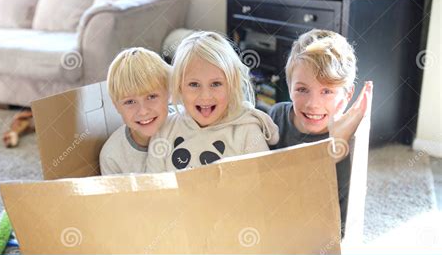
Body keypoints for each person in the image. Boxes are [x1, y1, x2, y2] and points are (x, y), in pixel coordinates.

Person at [269, 29, 373, 236]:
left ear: (347, 94)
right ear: (289, 86)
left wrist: (338, 145)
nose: (313, 104)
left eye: (327, 91)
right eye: (302, 89)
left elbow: (342, 216)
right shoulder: (277, 115)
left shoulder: (351, 136)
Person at [146, 31, 279, 173]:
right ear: (179, 87)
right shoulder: (165, 129)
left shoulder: (248, 131)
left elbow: (262, 185)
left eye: (216, 84)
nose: (205, 96)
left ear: (231, 85)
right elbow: (153, 185)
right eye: (194, 84)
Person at [100, 47, 171, 175]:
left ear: (169, 94)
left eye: (151, 97)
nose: (143, 111)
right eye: (130, 102)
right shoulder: (112, 157)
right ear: (116, 106)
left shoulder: (187, 124)